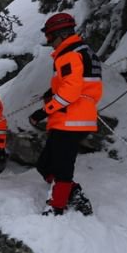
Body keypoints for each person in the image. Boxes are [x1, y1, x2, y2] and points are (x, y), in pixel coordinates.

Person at [28, 12, 102, 216]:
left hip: (72, 119)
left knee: (62, 167)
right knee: (45, 164)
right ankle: (73, 192)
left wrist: (44, 111)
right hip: (73, 118)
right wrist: (53, 92)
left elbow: (71, 91)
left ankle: (56, 206)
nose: (49, 41)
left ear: (60, 34)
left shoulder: (69, 54)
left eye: (50, 36)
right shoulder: (82, 52)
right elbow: (80, 84)